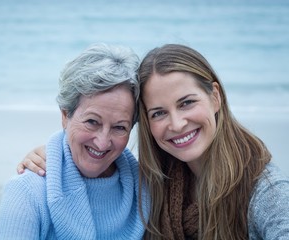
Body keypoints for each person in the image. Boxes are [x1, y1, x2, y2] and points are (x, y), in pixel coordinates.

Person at [18, 44, 289, 239]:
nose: (177, 123)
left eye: (187, 103)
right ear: (146, 122)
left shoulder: (266, 191)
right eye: (159, 113)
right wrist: (56, 154)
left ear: (215, 97)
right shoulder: (153, 181)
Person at [0, 43, 150, 240]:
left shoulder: (147, 192)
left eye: (119, 127)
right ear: (65, 115)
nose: (102, 143)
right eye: (92, 122)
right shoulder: (26, 192)